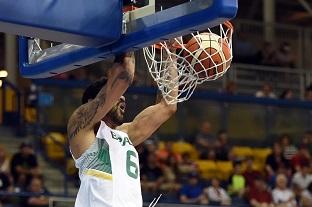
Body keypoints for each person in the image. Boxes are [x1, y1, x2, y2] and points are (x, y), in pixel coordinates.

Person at [67, 51, 178, 207]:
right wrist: (130, 37)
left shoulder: (125, 133)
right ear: (91, 102)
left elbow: (167, 106)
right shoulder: (81, 126)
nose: (123, 100)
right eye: (117, 98)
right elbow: (123, 77)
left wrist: (170, 55)